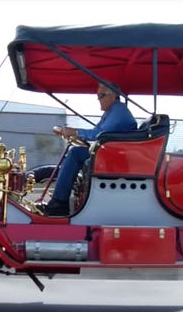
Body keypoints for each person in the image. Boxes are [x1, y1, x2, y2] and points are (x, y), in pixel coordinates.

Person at [40, 82, 137, 216]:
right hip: (112, 155)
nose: (98, 99)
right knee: (76, 152)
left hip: (115, 158)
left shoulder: (118, 111)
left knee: (75, 153)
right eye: (97, 95)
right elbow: (97, 133)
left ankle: (59, 203)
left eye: (101, 95)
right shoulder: (113, 111)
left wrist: (75, 132)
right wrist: (75, 133)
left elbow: (99, 134)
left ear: (113, 96)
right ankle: (61, 199)